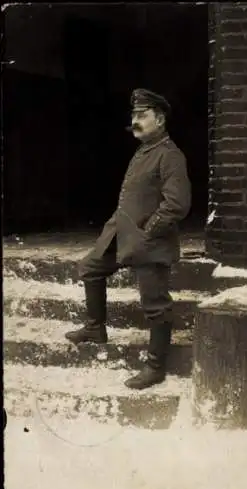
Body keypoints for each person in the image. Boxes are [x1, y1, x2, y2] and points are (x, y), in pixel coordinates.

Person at [64, 88, 192, 389]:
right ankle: (96, 328)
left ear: (159, 119)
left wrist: (149, 230)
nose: (135, 120)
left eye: (141, 115)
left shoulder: (170, 156)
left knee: (155, 305)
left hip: (151, 242)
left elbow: (177, 204)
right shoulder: (143, 150)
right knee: (90, 268)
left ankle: (155, 368)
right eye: (133, 115)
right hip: (120, 233)